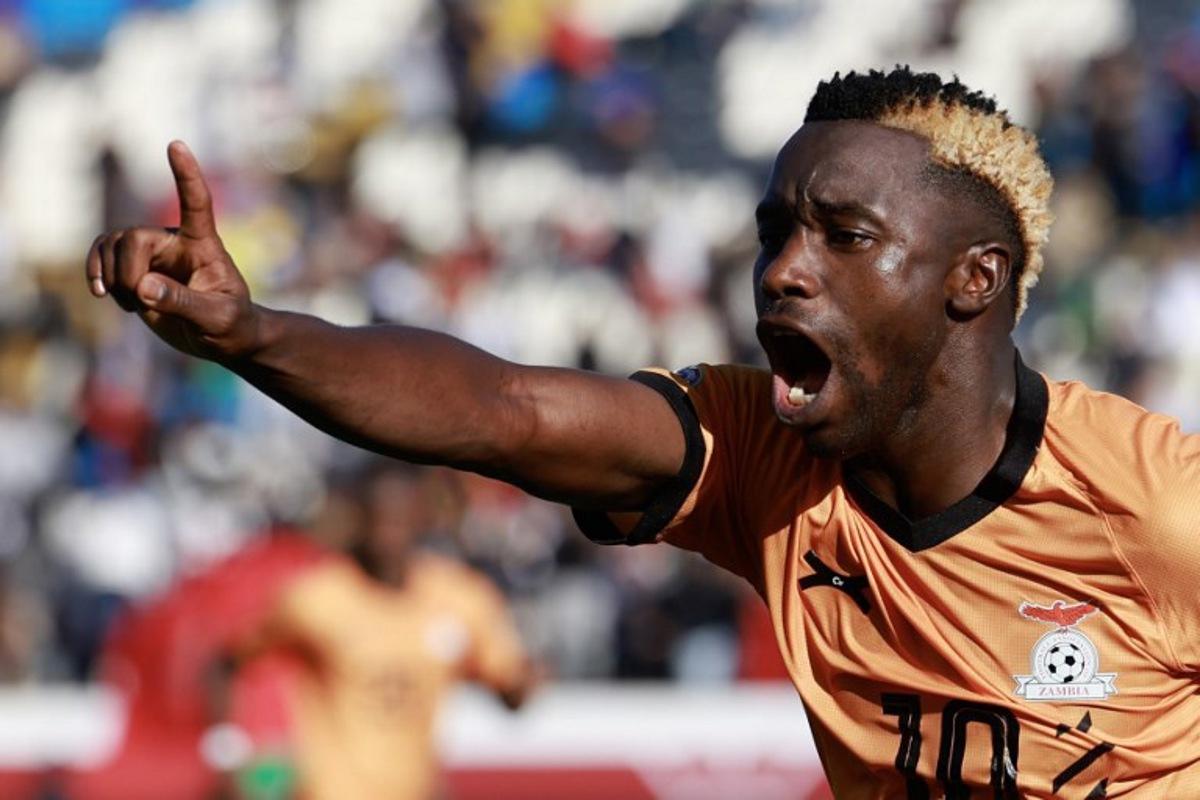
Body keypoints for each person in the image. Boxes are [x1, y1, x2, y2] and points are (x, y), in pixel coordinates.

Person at [86, 66, 1200, 797]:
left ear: (975, 280)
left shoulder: (1155, 503)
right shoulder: (766, 460)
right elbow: (502, 410)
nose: (782, 270)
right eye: (776, 232)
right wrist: (256, 334)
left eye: (844, 236)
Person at [211, 463, 534, 800]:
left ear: (420, 517)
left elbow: (511, 688)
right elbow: (227, 662)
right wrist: (227, 750)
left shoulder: (460, 599)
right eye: (377, 518)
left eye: (397, 518)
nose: (387, 533)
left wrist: (527, 681)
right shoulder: (317, 598)